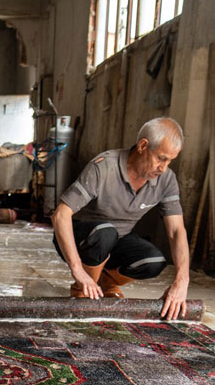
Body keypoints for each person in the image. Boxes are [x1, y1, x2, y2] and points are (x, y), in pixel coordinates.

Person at [51, 117, 190, 320]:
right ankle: (83, 288)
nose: (164, 167)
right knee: (105, 233)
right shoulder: (104, 167)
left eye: (170, 161)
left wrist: (182, 280)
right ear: (143, 145)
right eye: (161, 158)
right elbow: (60, 215)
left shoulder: (166, 179)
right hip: (81, 237)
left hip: (117, 239)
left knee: (154, 261)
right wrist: (77, 270)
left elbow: (176, 230)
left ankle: (106, 281)